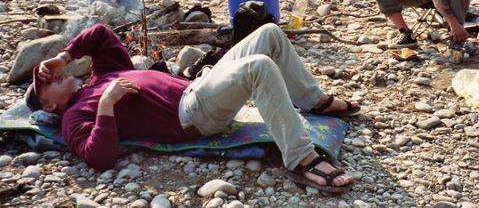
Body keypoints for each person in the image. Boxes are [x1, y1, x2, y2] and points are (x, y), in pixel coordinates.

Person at [24, 23, 360, 193]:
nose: (53, 75)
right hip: (194, 114)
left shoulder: (102, 73)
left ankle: (312, 100)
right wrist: (107, 106)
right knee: (257, 65)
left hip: (200, 87)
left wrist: (64, 56)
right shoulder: (74, 115)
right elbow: (97, 156)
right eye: (47, 82)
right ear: (50, 104)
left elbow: (99, 34)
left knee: (269, 33)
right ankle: (301, 158)